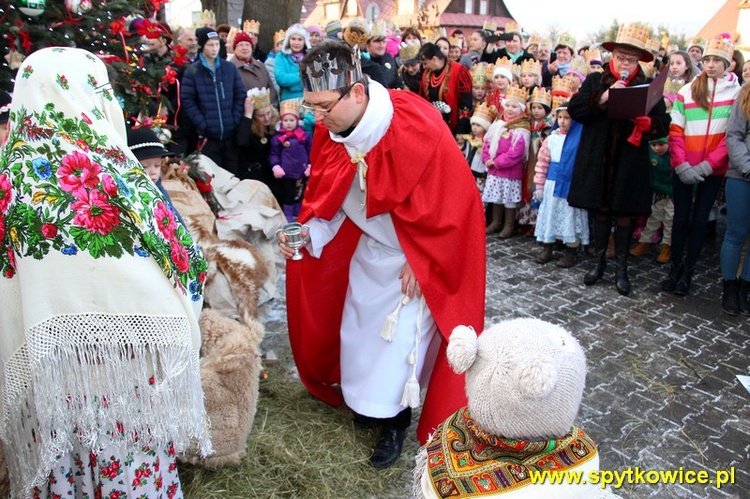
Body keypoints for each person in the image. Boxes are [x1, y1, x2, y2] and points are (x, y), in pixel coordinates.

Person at [0, 46, 210, 499]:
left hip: (47, 370)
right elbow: (187, 264)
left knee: (60, 465)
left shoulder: (9, 177)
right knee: (127, 464)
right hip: (127, 372)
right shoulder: (123, 174)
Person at [283, 40, 485, 469]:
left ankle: (394, 424)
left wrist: (424, 259)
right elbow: (334, 198)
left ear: (357, 93)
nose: (316, 118)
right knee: (358, 336)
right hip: (371, 253)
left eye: (323, 106)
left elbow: (456, 201)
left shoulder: (414, 124)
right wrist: (308, 234)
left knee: (396, 350)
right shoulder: (331, 129)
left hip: (416, 263)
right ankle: (366, 406)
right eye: (310, 106)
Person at [567, 23, 670, 296]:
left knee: (624, 214)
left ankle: (621, 268)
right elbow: (576, 109)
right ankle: (598, 262)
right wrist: (602, 98)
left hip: (629, 160)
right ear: (612, 57)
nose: (625, 63)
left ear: (639, 61)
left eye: (631, 59)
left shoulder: (646, 86)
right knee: (600, 212)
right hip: (598, 158)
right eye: (621, 57)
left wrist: (649, 124)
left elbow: (663, 123)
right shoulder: (595, 80)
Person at [661, 34, 741, 296]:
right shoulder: (687, 90)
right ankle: (674, 268)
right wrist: (681, 164)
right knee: (680, 219)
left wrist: (708, 166)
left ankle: (688, 271)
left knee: (699, 221)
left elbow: (731, 135)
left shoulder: (736, 94)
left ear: (727, 64)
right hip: (683, 167)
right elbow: (675, 130)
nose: (710, 64)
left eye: (717, 60)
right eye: (707, 59)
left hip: (712, 169)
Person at [182, 27, 246, 174]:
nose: (214, 48)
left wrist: (234, 119)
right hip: (208, 137)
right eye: (210, 45)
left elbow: (240, 94)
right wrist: (202, 124)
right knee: (212, 177)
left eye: (217, 44)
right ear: (202, 46)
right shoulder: (193, 71)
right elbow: (187, 100)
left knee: (233, 175)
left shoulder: (229, 68)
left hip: (230, 135)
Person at [532, 102, 589, 266]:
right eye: (560, 117)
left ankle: (571, 251)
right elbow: (542, 163)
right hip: (551, 184)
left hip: (570, 185)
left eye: (567, 118)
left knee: (570, 217)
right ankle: (547, 247)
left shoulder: (579, 139)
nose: (563, 121)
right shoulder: (552, 138)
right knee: (549, 215)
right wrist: (540, 186)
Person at [719, 57, 750, 315]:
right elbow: (734, 135)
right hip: (742, 177)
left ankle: (745, 288)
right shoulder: (745, 93)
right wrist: (748, 167)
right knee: (736, 233)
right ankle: (729, 287)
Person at [482, 84, 530, 238]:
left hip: (509, 171)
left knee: (508, 199)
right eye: (507, 105)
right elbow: (487, 143)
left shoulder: (522, 128)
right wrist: (487, 158)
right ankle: (496, 221)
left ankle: (509, 225)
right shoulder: (497, 123)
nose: (509, 109)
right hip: (494, 169)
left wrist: (498, 162)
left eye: (514, 106)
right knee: (496, 197)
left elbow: (516, 152)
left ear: (521, 109)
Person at [629, 137, 674, 264]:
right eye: (654, 145)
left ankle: (666, 246)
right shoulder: (651, 154)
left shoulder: (675, 154)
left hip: (674, 192)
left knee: (670, 219)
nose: (657, 148)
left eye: (661, 144)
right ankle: (645, 241)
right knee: (654, 217)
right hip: (659, 191)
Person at [270, 100, 311, 221]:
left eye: (291, 120)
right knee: (288, 194)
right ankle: (288, 215)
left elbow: (310, 151)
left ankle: (298, 213)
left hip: (302, 171)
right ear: (281, 122)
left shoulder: (305, 136)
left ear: (297, 121)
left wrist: (310, 164)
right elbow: (274, 154)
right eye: (286, 120)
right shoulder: (278, 138)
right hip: (287, 173)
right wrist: (276, 166)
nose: (288, 123)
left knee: (300, 194)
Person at [418, 42, 473, 134]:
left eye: (425, 63)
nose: (424, 67)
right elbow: (423, 100)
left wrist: (461, 130)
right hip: (433, 126)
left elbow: (466, 103)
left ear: (434, 59)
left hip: (453, 127)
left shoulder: (459, 71)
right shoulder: (427, 74)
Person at [230, 30, 278, 105]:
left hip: (264, 110)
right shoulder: (230, 68)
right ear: (235, 48)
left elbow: (271, 87)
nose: (244, 48)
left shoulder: (260, 66)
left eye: (247, 45)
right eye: (241, 45)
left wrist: (265, 103)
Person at [275, 24, 311, 102]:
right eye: (293, 39)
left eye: (300, 39)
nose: (296, 42)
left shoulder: (311, 57)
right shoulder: (281, 56)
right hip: (288, 100)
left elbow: (312, 82)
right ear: (288, 40)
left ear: (305, 41)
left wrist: (291, 85)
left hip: (308, 100)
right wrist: (302, 74)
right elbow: (281, 79)